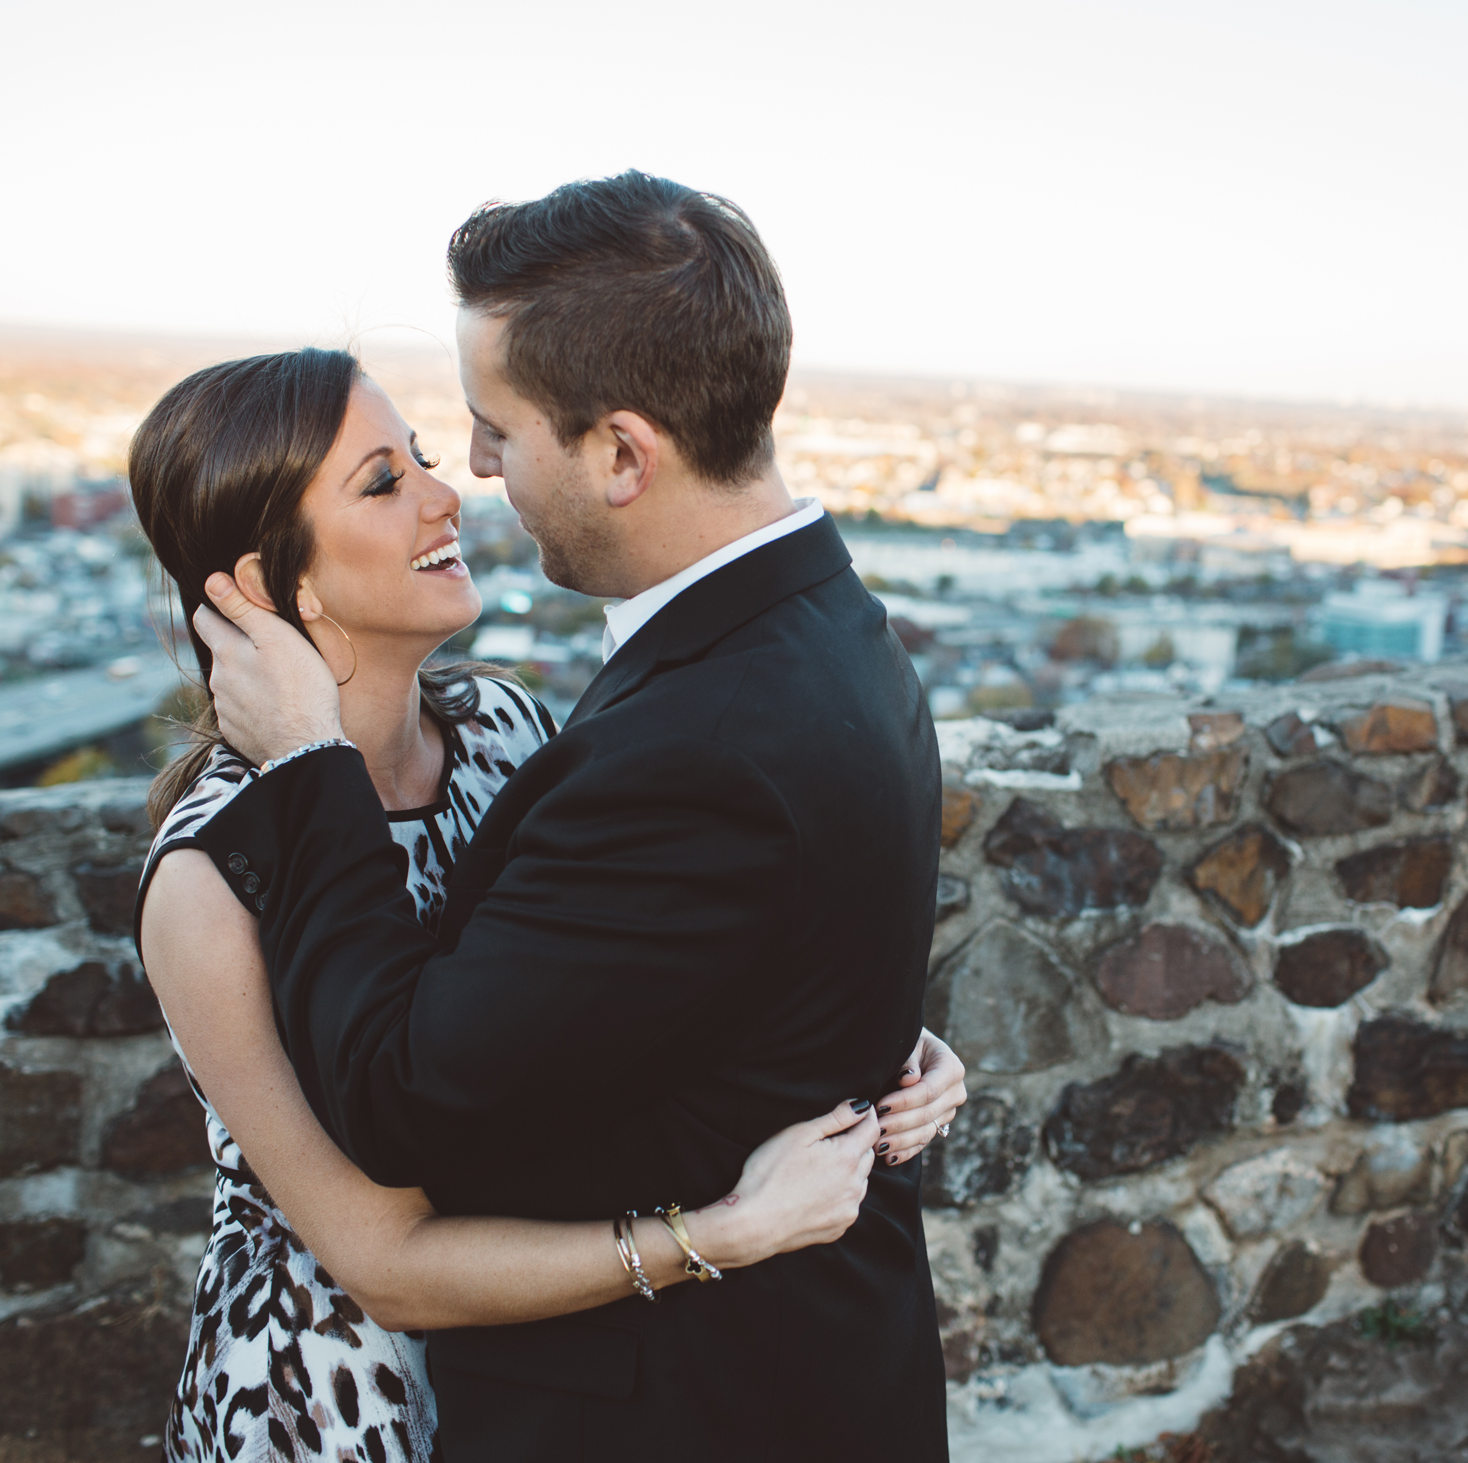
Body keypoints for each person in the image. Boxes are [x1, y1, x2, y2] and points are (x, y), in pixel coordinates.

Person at [190, 171, 952, 1461]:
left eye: (493, 429)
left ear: (620, 454)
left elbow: (402, 1095)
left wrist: (309, 762)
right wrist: (851, 1033)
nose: (473, 472)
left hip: (690, 1410)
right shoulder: (828, 627)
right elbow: (695, 957)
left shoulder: (685, 741)